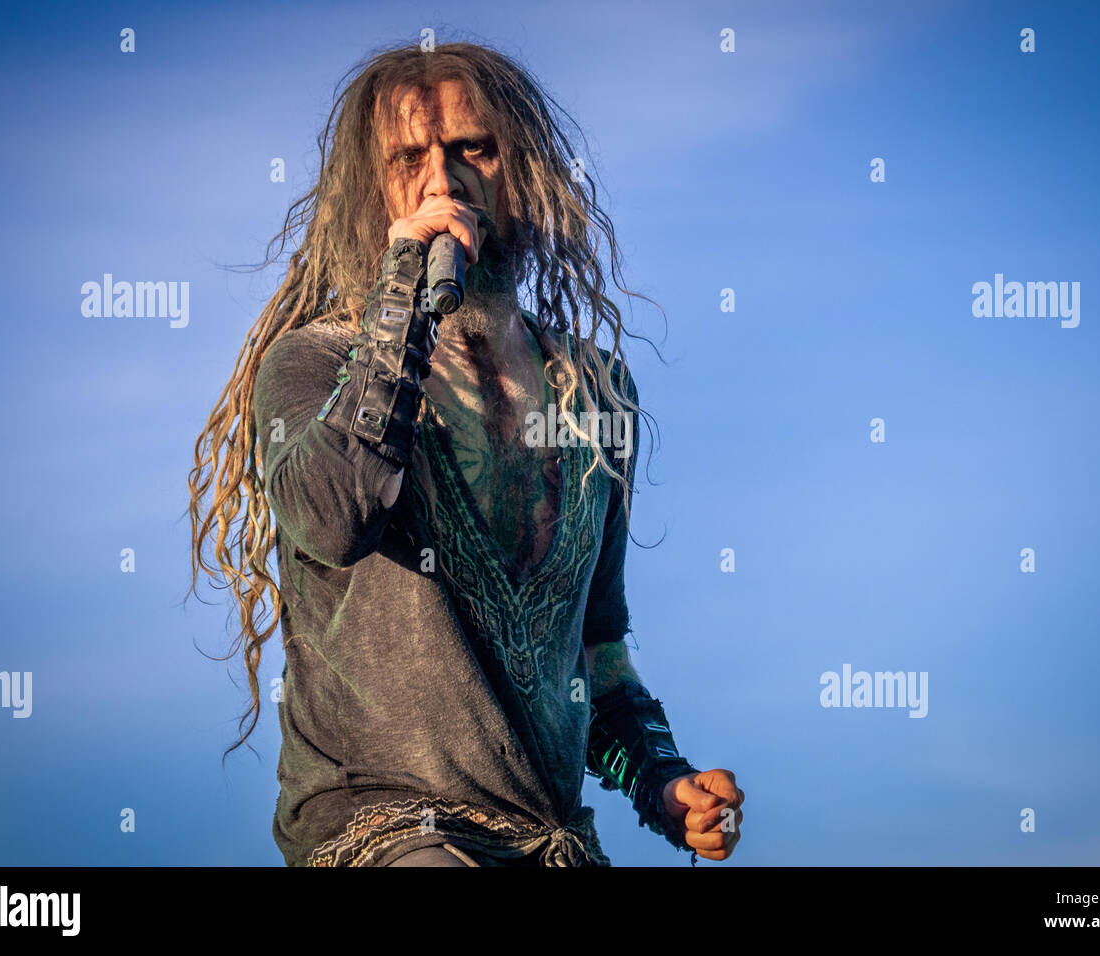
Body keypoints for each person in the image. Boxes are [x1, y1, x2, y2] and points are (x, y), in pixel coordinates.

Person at [187, 41, 744, 866]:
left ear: (523, 172)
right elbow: (333, 517)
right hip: (382, 836)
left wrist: (663, 784)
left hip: (552, 843)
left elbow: (596, 646)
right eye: (409, 158)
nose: (442, 182)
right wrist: (404, 295)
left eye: (471, 149)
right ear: (369, 192)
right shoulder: (310, 365)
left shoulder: (597, 393)